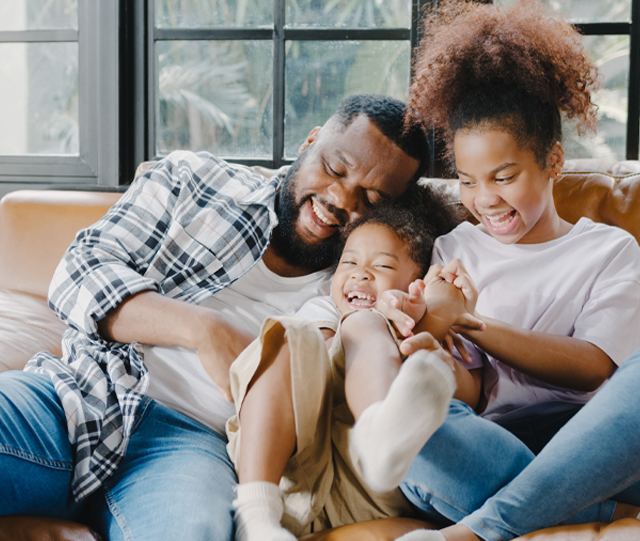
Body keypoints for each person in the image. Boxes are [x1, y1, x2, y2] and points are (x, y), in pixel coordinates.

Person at [0, 94, 430, 541]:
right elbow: (79, 271)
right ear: (311, 141)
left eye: (372, 197)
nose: (340, 198)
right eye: (335, 169)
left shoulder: (362, 285)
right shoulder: (196, 181)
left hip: (192, 445)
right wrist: (203, 330)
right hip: (81, 392)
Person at [370, 0, 640, 541]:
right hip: (502, 444)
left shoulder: (607, 250)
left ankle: (484, 527)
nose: (484, 200)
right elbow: (472, 392)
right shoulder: (456, 248)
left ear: (552, 161)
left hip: (614, 444)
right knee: (411, 425)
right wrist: (425, 336)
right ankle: (602, 514)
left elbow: (594, 369)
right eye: (466, 180)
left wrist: (470, 321)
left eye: (503, 177)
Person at [227, 185, 482, 541]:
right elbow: (319, 363)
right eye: (349, 261)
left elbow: (469, 398)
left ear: (417, 283)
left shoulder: (434, 328)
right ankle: (254, 518)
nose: (360, 274)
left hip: (366, 490)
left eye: (382, 265)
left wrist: (428, 330)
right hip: (293, 471)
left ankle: (383, 436)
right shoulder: (325, 310)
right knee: (289, 335)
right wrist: (379, 321)